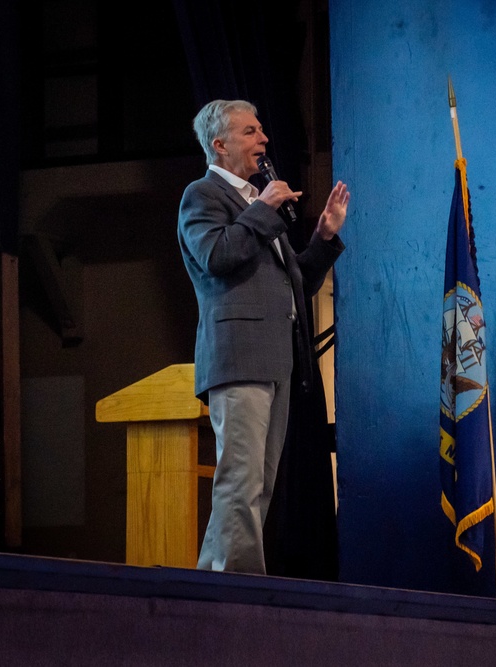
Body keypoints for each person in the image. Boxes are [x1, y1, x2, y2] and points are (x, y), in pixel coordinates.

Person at [178, 99, 349, 574]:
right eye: (251, 131)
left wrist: (324, 239)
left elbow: (295, 284)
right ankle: (240, 589)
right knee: (240, 481)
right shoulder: (203, 195)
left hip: (275, 360)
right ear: (220, 144)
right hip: (238, 357)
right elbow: (216, 256)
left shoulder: (254, 203)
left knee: (258, 484)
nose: (264, 139)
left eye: (261, 130)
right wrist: (265, 209)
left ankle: (218, 583)